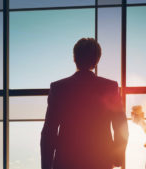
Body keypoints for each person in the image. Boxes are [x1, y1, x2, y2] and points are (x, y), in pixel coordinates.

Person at [40, 38, 129, 169]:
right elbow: (121, 125)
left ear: (74, 58)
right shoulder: (110, 86)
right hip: (101, 159)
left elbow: (49, 131)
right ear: (97, 61)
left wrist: (46, 166)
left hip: (66, 160)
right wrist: (117, 157)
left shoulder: (59, 87)